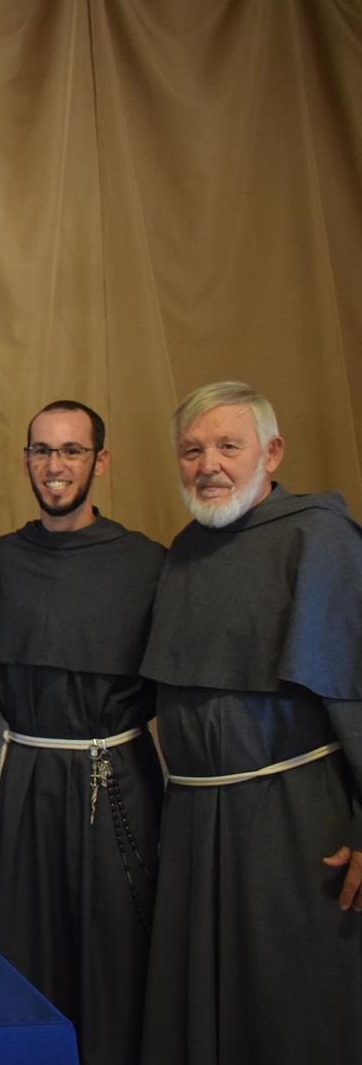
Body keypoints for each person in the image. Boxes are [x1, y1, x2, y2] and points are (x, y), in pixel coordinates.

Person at [138, 381, 362, 1065]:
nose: (208, 465)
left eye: (228, 447)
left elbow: (357, 691)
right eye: (192, 450)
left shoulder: (319, 537)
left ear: (273, 452)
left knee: (287, 1003)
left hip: (291, 821)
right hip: (194, 818)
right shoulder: (185, 549)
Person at [0, 401, 165, 1065]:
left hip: (116, 777)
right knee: (24, 943)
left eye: (71, 451)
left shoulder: (146, 562)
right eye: (42, 450)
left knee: (116, 947)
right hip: (28, 774)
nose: (54, 466)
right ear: (26, 459)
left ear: (100, 462)